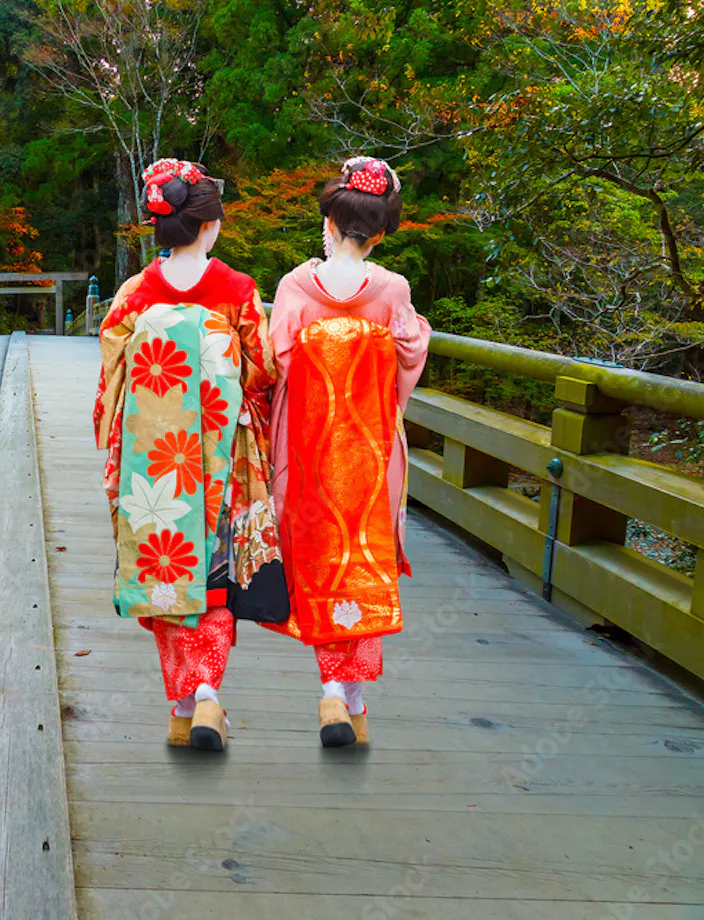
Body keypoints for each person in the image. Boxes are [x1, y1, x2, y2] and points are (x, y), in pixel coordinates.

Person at [94, 158, 281, 752]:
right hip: (220, 459)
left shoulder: (134, 296)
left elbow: (112, 381)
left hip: (153, 463)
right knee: (215, 576)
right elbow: (262, 372)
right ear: (210, 228)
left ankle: (182, 705)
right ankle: (207, 698)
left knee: (164, 576)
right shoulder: (238, 291)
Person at [263, 157, 431, 748]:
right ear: (381, 232)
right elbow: (408, 358)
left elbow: (276, 363)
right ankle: (344, 695)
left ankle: (334, 689)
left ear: (328, 224)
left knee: (316, 560)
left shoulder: (292, 287)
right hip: (369, 450)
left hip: (306, 452)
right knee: (364, 560)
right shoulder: (392, 290)